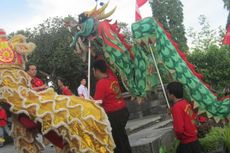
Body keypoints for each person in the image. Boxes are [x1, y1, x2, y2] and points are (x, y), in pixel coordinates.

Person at [93, 60, 132, 153]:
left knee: (117, 142)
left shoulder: (101, 83)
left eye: (93, 70)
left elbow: (97, 103)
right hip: (123, 110)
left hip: (114, 115)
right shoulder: (112, 77)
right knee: (122, 138)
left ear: (96, 70)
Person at [166, 82, 203, 153]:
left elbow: (179, 130)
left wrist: (178, 136)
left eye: (168, 93)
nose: (167, 95)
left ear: (172, 94)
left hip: (187, 144)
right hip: (194, 141)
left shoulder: (176, 107)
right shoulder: (186, 103)